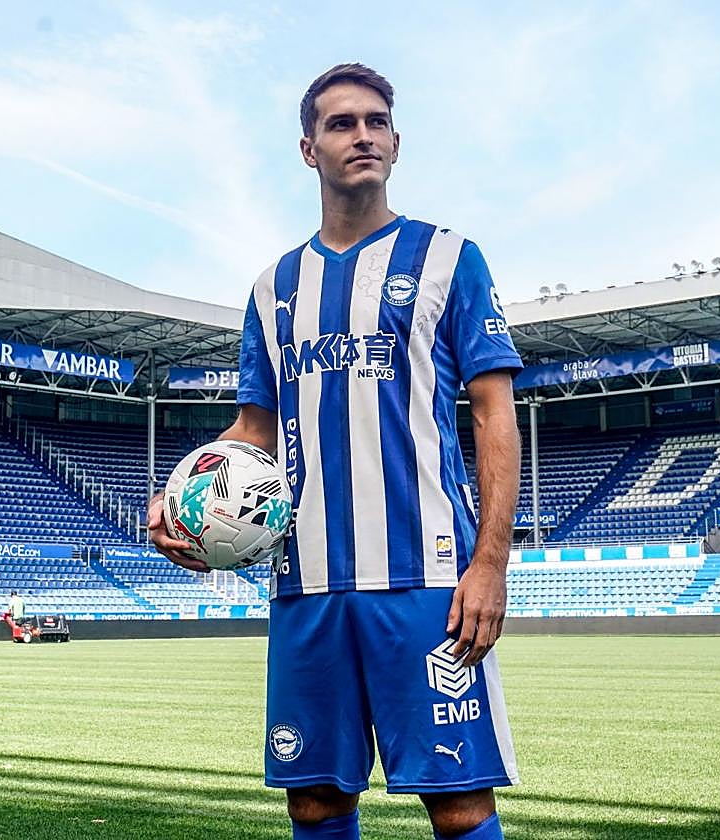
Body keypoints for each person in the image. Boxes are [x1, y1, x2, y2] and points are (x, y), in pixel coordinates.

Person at [150, 63, 522, 840]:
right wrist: (181, 493)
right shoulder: (272, 287)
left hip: (427, 576)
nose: (363, 135)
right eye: (342, 123)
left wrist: (491, 563)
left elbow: (493, 416)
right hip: (306, 579)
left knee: (458, 802)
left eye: (376, 121)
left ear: (395, 140)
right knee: (314, 799)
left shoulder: (450, 260)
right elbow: (252, 429)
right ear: (308, 148)